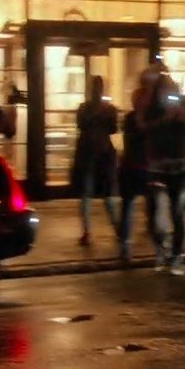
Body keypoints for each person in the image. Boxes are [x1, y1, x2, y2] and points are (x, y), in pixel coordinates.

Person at [141, 68, 185, 275]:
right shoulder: (152, 109)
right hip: (158, 167)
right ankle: (161, 249)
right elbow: (144, 128)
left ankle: (177, 256)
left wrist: (183, 117)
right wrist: (165, 118)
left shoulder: (183, 107)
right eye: (163, 89)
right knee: (158, 216)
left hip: (179, 166)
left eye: (170, 89)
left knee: (177, 213)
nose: (167, 93)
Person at [115, 65, 162, 264]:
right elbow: (141, 132)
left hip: (140, 165)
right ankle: (133, 244)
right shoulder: (144, 114)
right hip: (139, 165)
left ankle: (130, 244)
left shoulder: (140, 113)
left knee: (142, 206)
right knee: (142, 206)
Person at [72, 74, 119, 247]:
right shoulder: (107, 109)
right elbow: (112, 128)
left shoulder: (85, 108)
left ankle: (88, 231)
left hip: (90, 153)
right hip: (102, 152)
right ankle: (116, 229)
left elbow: (81, 125)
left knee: (90, 194)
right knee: (106, 195)